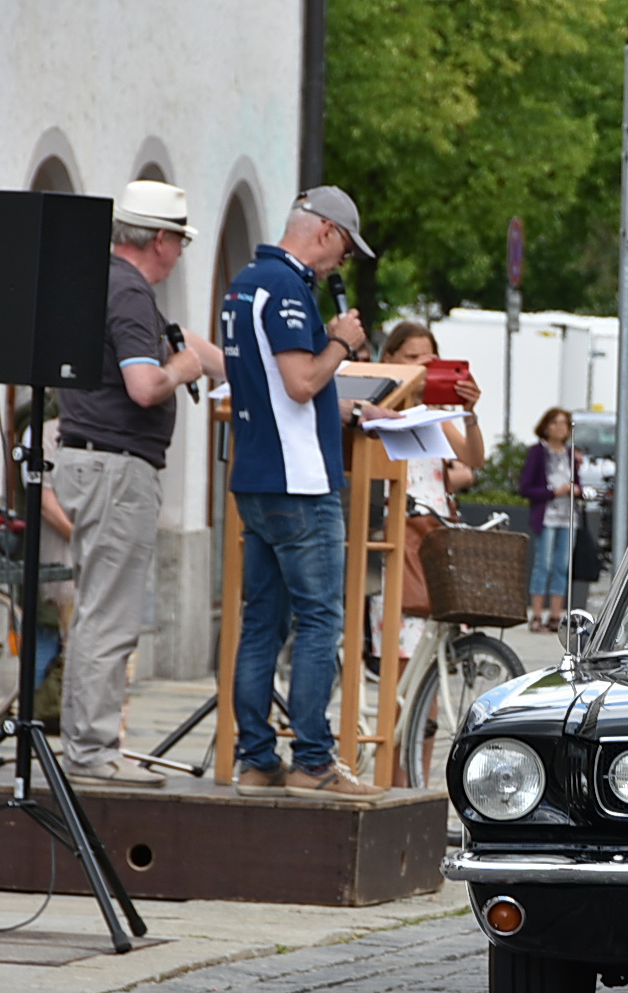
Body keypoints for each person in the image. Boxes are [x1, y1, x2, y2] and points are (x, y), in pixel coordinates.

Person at [221, 186, 395, 802]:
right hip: (301, 483)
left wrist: (338, 409)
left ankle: (255, 759)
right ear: (323, 232)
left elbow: (275, 385)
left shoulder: (244, 283)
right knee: (320, 620)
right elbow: (298, 381)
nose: (341, 265)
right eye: (344, 250)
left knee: (261, 622)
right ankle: (314, 760)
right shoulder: (290, 289)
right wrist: (342, 342)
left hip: (256, 477)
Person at [52, 180, 225, 787]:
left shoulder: (106, 282)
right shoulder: (128, 292)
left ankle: (86, 746)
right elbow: (145, 386)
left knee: (100, 610)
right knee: (110, 615)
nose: (180, 250)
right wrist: (184, 366)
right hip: (118, 468)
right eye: (179, 238)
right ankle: (94, 752)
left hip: (96, 462)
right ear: (159, 239)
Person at [376, 322, 484, 661]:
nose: (421, 366)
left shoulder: (433, 414)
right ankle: (402, 714)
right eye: (411, 357)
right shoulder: (378, 404)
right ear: (390, 358)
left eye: (429, 359)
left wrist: (469, 413)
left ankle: (429, 715)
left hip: (434, 530)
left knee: (429, 642)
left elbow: (473, 457)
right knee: (400, 638)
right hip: (393, 528)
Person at [519, 407, 585, 632]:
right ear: (546, 427)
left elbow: (579, 484)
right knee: (543, 564)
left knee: (562, 566)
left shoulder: (570, 453)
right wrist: (553, 492)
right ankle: (536, 614)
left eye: (564, 423)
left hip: (568, 518)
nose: (560, 428)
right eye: (555, 423)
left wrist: (576, 490)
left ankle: (556, 615)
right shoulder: (538, 452)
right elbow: (525, 487)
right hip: (547, 516)